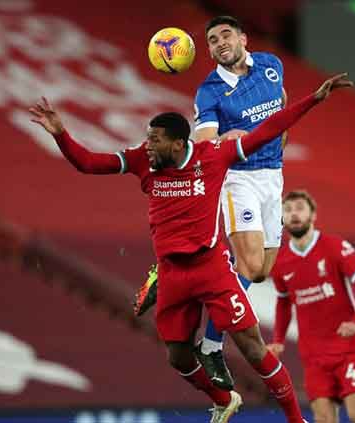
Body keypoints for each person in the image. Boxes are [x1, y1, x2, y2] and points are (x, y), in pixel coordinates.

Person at [30, 74, 353, 423]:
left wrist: (313, 99)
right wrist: (60, 133)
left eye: (155, 140)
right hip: (172, 272)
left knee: (251, 346)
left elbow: (268, 130)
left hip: (210, 267)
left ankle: (295, 419)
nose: (147, 146)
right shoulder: (143, 160)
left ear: (178, 143)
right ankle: (223, 399)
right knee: (178, 356)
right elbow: (89, 163)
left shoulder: (213, 155)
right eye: (147, 139)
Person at [133, 15, 290, 391]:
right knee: (249, 266)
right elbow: (205, 141)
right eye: (212, 40)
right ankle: (211, 345)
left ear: (243, 38)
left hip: (273, 175)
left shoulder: (271, 65)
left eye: (225, 35)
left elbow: (282, 105)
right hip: (240, 180)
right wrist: (228, 140)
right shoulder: (210, 92)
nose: (219, 43)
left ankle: (167, 278)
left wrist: (277, 143)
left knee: (261, 270)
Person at [266, 191, 355, 423]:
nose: (294, 214)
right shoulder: (280, 261)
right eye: (288, 210)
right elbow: (283, 301)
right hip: (314, 356)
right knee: (324, 420)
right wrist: (278, 340)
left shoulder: (334, 246)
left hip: (349, 350)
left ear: (313, 214)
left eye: (299, 208)